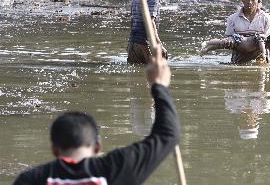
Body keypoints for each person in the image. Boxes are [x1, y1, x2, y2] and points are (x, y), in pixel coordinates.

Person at [14, 47, 180, 185]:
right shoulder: (117, 167)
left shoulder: (30, 180)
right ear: (97, 146)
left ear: (54, 149)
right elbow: (168, 136)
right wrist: (159, 85)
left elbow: (168, 136)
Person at [127, 0, 170, 64]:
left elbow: (133, 17)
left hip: (132, 43)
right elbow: (150, 22)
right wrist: (159, 45)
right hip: (145, 45)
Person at [224, 0, 270, 64]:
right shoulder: (232, 18)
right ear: (242, 0)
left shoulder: (266, 18)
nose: (250, 2)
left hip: (260, 58)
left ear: (258, 1)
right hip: (239, 57)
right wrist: (230, 39)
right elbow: (229, 37)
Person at [200, 33, 270, 64]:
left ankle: (206, 49)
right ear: (268, 41)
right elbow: (261, 44)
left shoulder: (269, 46)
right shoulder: (263, 38)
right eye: (269, 47)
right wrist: (264, 54)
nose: (269, 49)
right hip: (238, 41)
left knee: (220, 46)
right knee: (222, 43)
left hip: (242, 49)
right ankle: (207, 43)